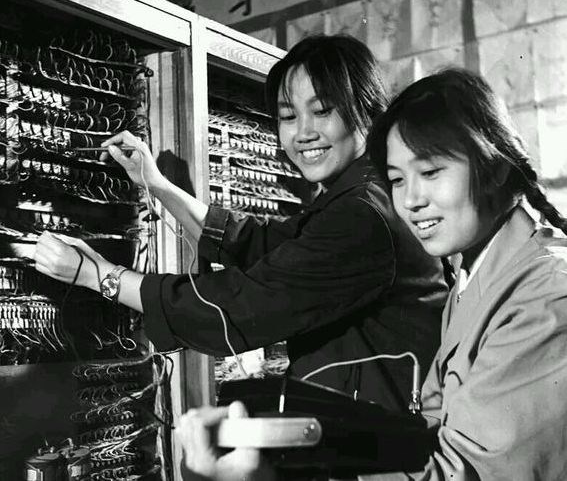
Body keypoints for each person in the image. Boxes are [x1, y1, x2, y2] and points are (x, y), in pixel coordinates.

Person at [177, 67, 567, 480]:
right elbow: (432, 428)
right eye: (397, 180)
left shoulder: (543, 299)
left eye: (430, 172)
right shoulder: (477, 273)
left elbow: (466, 472)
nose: (411, 200)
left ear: (497, 167)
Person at [33, 35, 447, 408]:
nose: (303, 133)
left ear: (367, 110)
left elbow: (242, 304)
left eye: (322, 111)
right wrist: (156, 184)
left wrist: (100, 276)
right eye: (288, 117)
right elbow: (259, 244)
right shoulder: (361, 194)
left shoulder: (363, 213)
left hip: (380, 446)